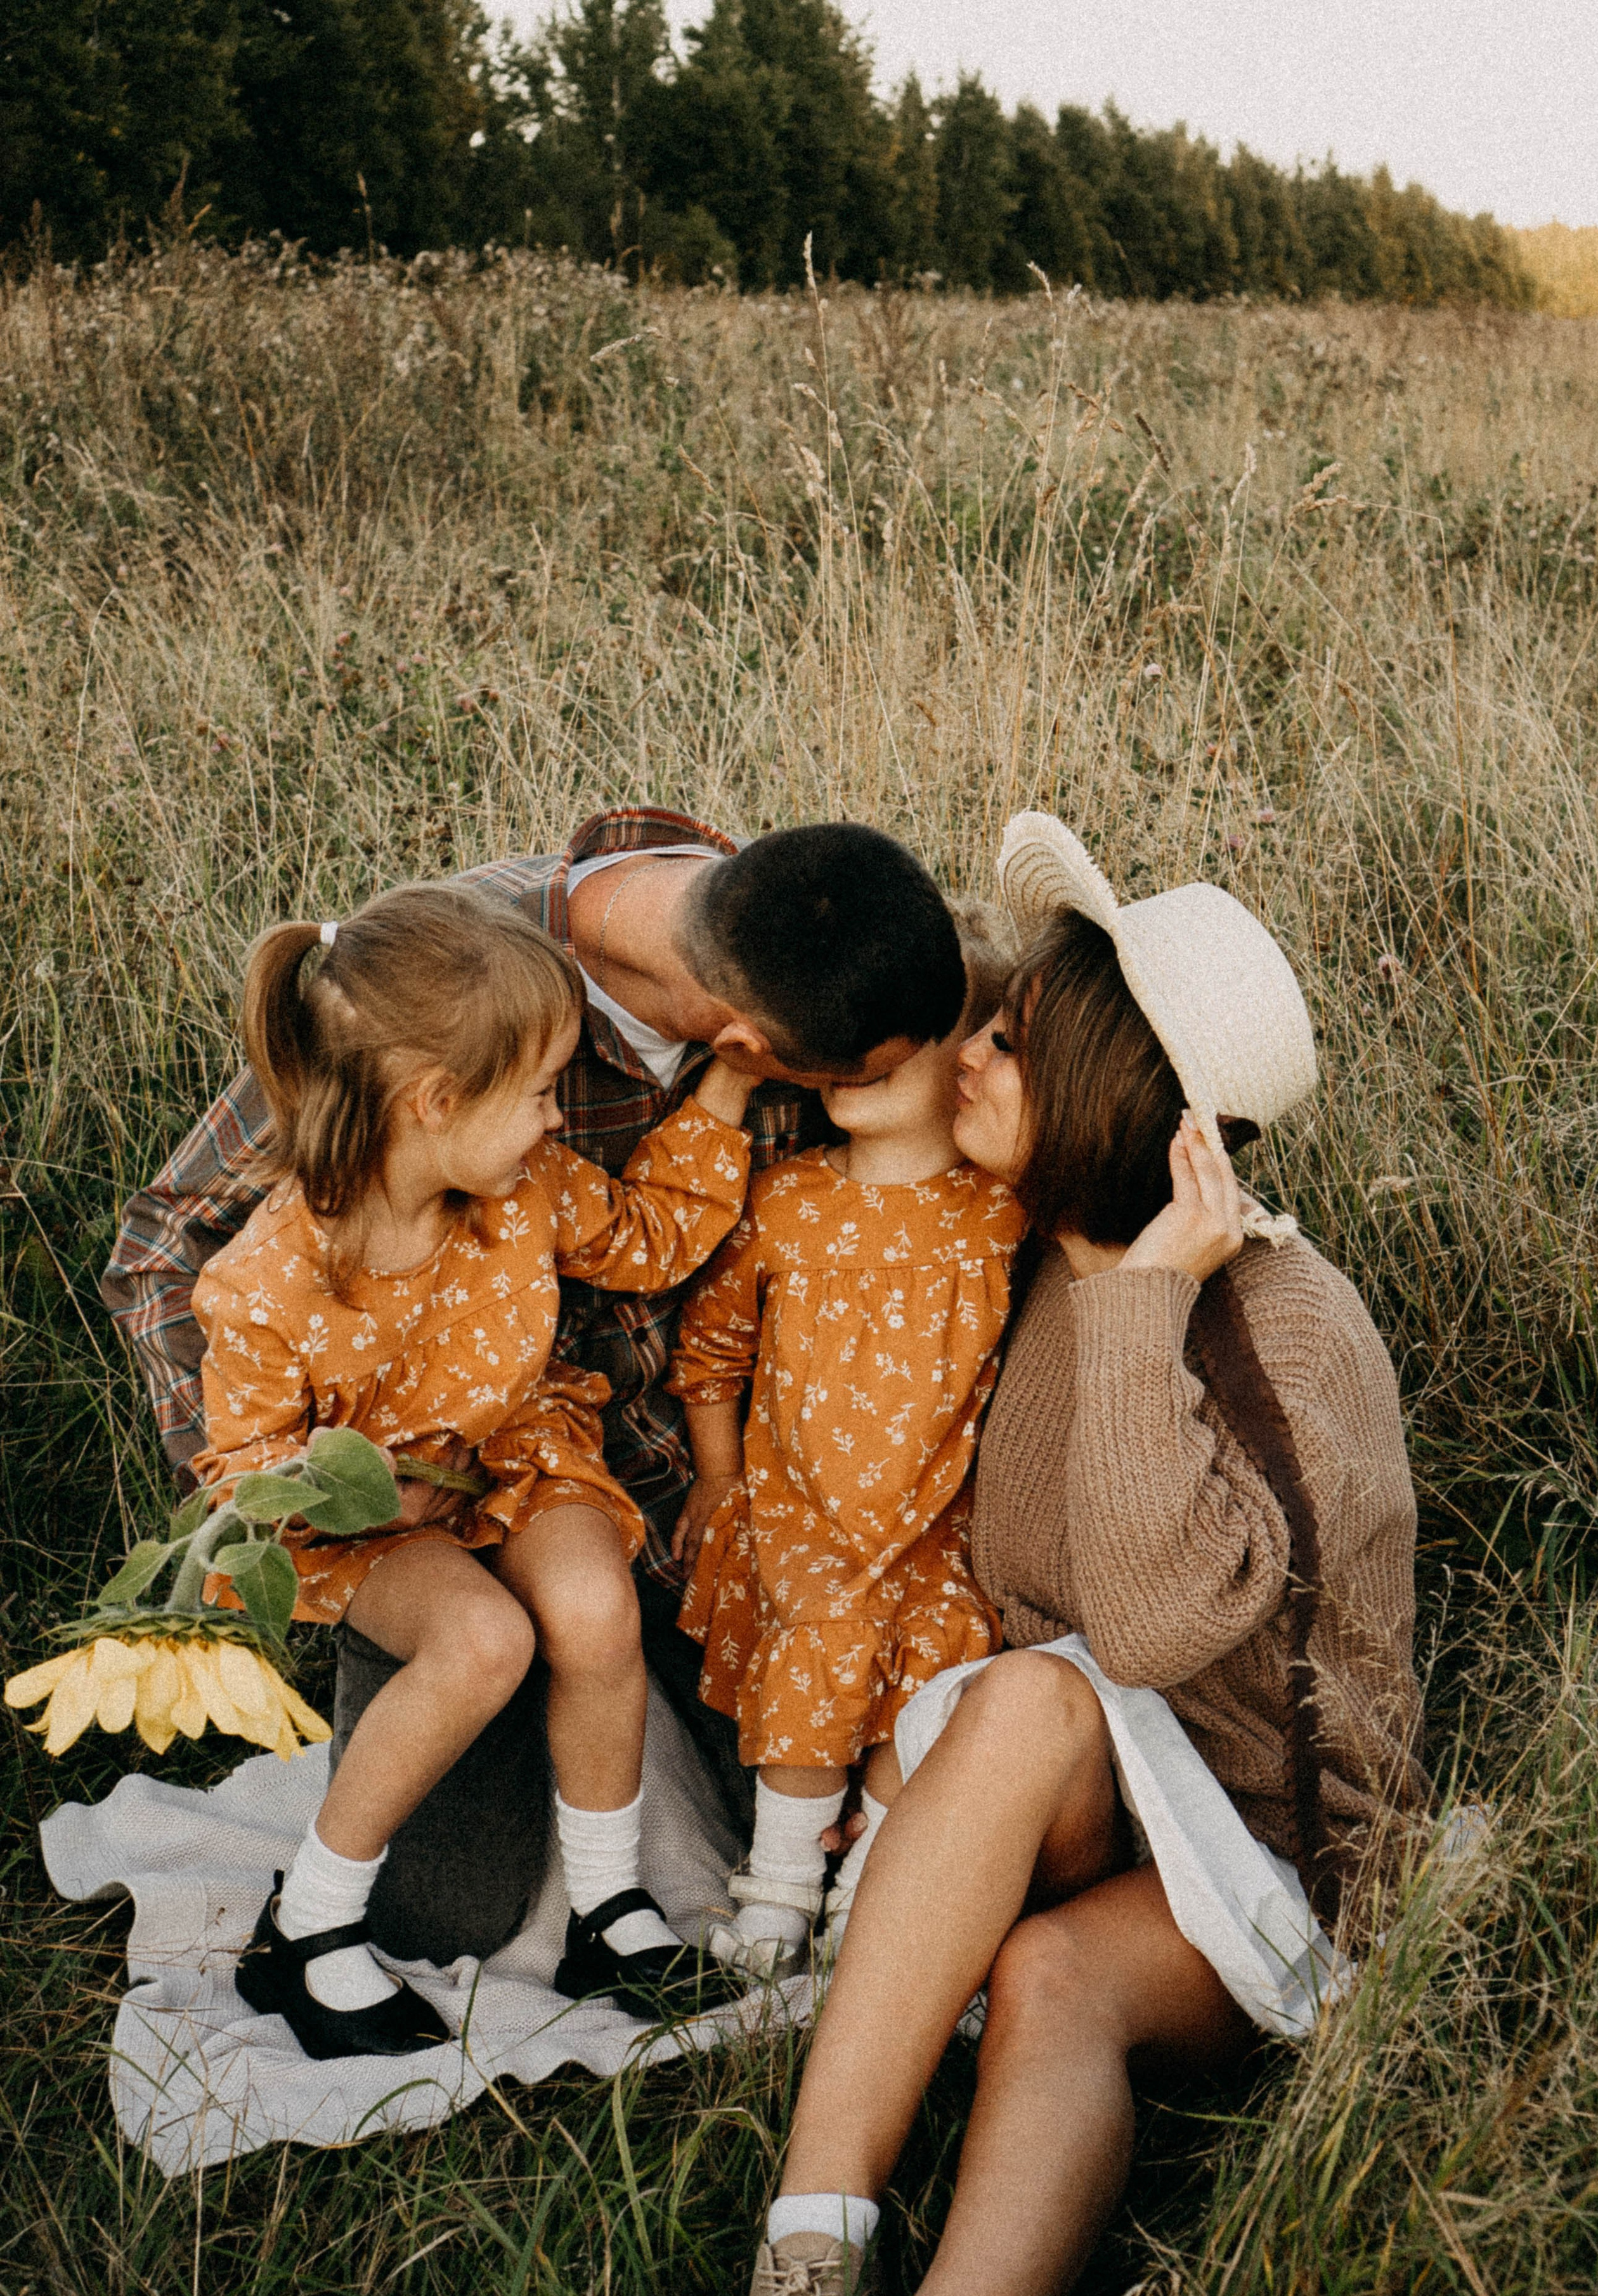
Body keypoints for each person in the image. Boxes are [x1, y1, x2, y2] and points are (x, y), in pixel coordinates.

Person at [704, 813, 1431, 2296]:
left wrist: (1139, 1307)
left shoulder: (1275, 1338)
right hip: (1090, 1756)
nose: (964, 1052)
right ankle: (802, 2269)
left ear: (1108, 1097)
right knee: (1022, 1711)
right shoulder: (1036, 1238)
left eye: (1007, 1042)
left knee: (1049, 1966)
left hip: (1280, 1856)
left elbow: (1155, 1625)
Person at [101, 810, 969, 1964]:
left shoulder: (800, 934)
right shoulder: (444, 993)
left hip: (643, 1502)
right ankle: (329, 1907)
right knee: (444, 1911)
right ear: (745, 1045)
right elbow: (166, 1250)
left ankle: (618, 1894)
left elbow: (659, 1237)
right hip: (405, 1516)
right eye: (840, 1085)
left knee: (785, 1799)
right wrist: (286, 1499)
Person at [193, 883, 765, 2056]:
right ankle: (308, 1927)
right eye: (544, 1093)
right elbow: (242, 1475)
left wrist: (732, 1088)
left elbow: (649, 1241)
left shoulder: (530, 1193)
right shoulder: (270, 1277)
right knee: (485, 1641)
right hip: (369, 1519)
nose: (560, 1120)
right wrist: (348, 1489)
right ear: (437, 1101)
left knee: (595, 1605)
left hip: (517, 1450)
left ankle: (608, 1908)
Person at [666, 905, 1023, 1977]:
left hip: (931, 1523)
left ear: (965, 1057)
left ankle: (869, 1900)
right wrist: (718, 1479)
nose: (854, 1053)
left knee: (939, 1668)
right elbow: (712, 1350)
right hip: (800, 1514)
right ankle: (776, 1895)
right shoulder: (786, 1202)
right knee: (818, 1641)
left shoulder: (1000, 1214)